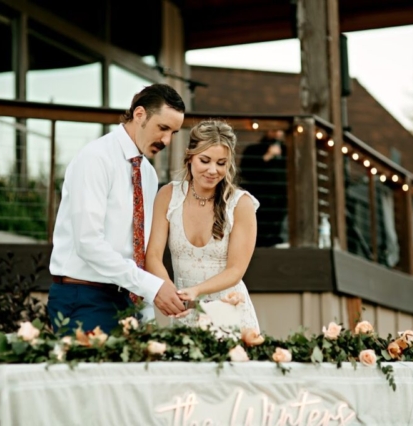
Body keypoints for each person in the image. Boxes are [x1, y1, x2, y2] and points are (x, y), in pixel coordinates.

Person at [47, 84, 187, 333]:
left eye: (173, 133)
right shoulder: (95, 159)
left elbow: (139, 252)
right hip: (84, 297)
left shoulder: (148, 174)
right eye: (163, 128)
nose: (167, 140)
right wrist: (151, 287)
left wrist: (146, 313)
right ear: (140, 114)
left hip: (128, 300)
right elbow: (88, 242)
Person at [145, 120, 260, 330]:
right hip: (184, 311)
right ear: (190, 157)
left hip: (231, 314)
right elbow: (152, 255)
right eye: (205, 160)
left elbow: (236, 270)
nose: (212, 170)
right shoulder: (168, 196)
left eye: (221, 163)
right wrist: (168, 291)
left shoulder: (241, 204)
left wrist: (196, 291)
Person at [239, 130, 287, 247]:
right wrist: (267, 156)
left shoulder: (286, 151)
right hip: (259, 195)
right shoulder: (254, 149)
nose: (277, 133)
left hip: (279, 197)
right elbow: (246, 171)